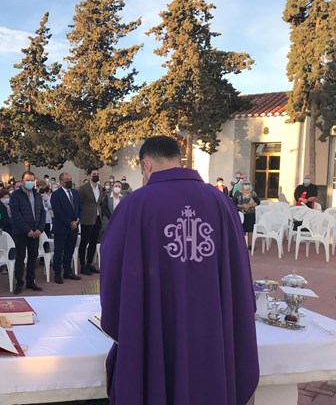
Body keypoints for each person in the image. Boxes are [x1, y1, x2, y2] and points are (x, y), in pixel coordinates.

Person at [100, 136, 259, 405]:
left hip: (155, 326)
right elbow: (239, 269)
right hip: (212, 329)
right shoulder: (221, 203)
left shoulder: (135, 205)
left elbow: (112, 266)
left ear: (146, 165)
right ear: (178, 160)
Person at [9, 172, 45, 294]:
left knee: (32, 257)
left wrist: (40, 229)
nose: (30, 182)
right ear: (23, 181)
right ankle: (19, 283)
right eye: (27, 180)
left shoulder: (37, 195)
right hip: (21, 233)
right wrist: (27, 230)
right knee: (20, 258)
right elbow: (16, 215)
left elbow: (42, 213)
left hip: (35, 232)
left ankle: (31, 281)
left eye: (32, 180)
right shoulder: (16, 195)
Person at [50, 172, 81, 284]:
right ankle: (57, 273)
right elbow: (58, 212)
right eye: (66, 179)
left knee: (70, 250)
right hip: (61, 227)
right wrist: (69, 222)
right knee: (59, 251)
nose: (69, 181)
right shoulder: (56, 194)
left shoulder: (75, 193)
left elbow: (79, 208)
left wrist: (77, 221)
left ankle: (68, 271)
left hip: (74, 227)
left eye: (70, 179)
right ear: (61, 181)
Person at [77, 167, 105, 275]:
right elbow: (79, 202)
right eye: (94, 174)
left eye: (98, 173)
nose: (96, 175)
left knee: (93, 242)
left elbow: (99, 202)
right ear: (89, 176)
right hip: (87, 219)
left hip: (97, 218)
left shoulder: (100, 188)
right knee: (84, 243)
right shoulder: (83, 188)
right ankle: (83, 266)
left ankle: (90, 263)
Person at [233, 178, 260, 246]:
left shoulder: (252, 192)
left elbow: (258, 202)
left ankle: (250, 245)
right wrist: (242, 206)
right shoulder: (237, 193)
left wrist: (250, 205)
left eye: (248, 184)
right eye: (245, 184)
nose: (247, 185)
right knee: (241, 229)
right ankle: (242, 245)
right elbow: (234, 204)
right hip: (241, 213)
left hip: (251, 213)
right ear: (242, 185)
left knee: (250, 229)